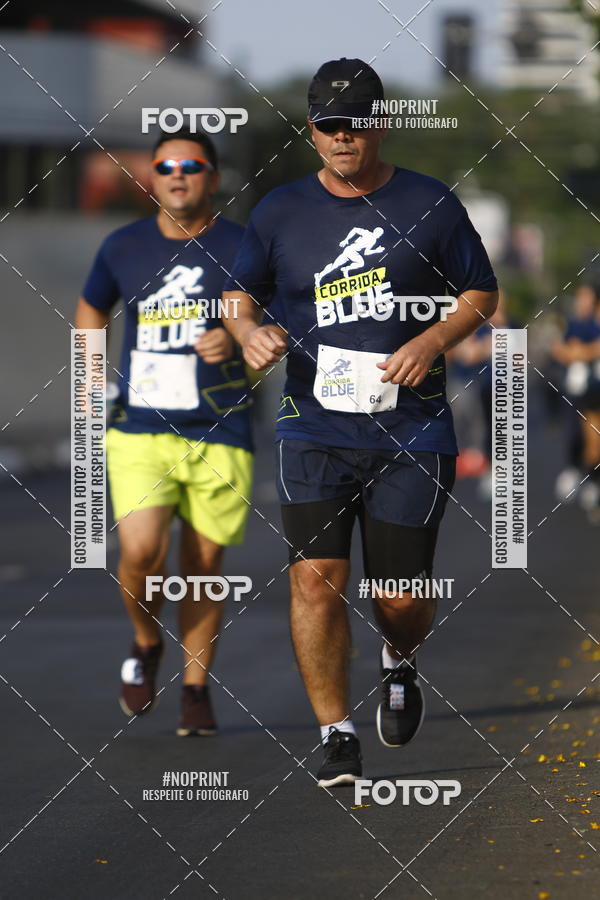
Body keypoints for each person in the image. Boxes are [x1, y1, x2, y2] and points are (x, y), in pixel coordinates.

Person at [222, 58, 498, 787]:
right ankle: (336, 731)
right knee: (315, 581)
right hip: (312, 427)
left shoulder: (430, 204)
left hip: (411, 430)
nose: (342, 136)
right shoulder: (279, 211)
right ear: (311, 131)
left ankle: (399, 661)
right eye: (327, 124)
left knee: (400, 599)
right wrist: (249, 332)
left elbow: (481, 290)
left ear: (380, 125)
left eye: (355, 123)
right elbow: (238, 297)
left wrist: (432, 340)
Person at [75, 128, 253, 735]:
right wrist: (92, 378)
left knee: (203, 565)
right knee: (141, 555)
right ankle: (147, 640)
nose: (178, 174)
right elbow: (92, 305)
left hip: (221, 429)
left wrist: (233, 336)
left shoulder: (241, 245)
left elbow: (267, 326)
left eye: (192, 165)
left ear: (213, 176)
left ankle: (196, 687)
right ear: (151, 176)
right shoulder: (123, 245)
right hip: (140, 428)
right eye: (166, 165)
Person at [551, 283, 600, 519]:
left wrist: (583, 351)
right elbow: (560, 350)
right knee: (575, 434)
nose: (582, 302)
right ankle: (576, 473)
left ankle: (593, 481)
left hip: (594, 390)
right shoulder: (573, 324)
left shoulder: (594, 324)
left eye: (586, 297)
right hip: (577, 391)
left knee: (594, 440)